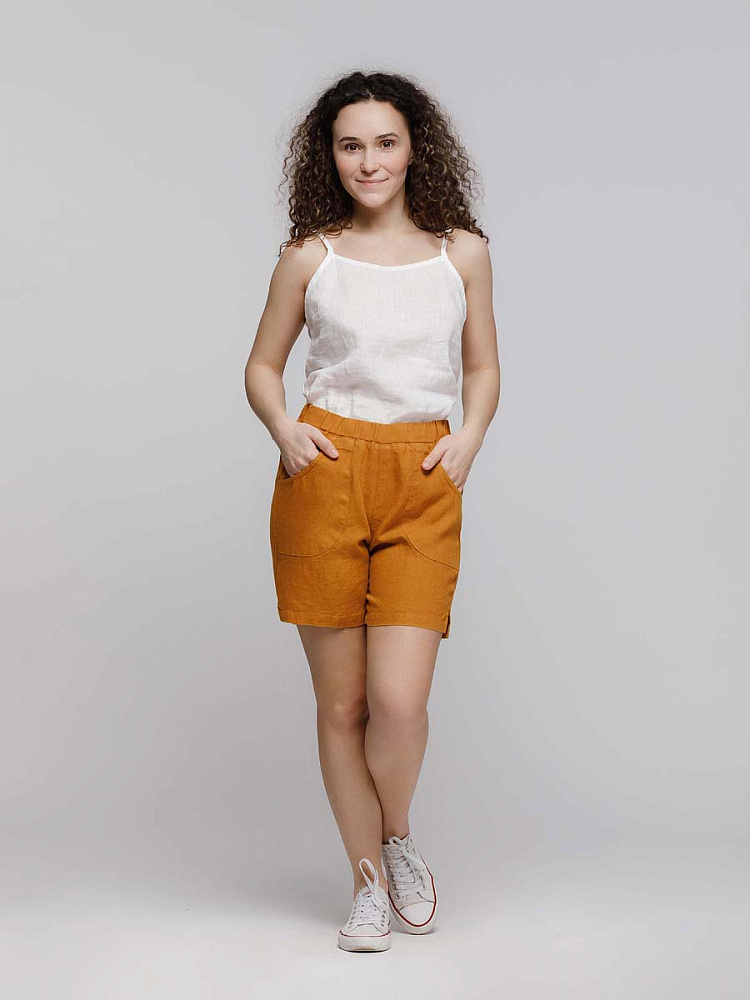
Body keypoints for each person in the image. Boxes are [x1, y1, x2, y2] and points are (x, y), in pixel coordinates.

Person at [244, 70, 500, 952]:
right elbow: (262, 365)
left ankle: (395, 836)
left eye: (385, 141)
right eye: (350, 145)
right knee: (343, 707)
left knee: (398, 703)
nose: (369, 161)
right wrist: (285, 428)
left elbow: (482, 364)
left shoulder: (460, 253)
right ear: (330, 156)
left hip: (422, 476)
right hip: (325, 473)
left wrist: (469, 438)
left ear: (416, 147)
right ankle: (365, 883)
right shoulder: (309, 257)